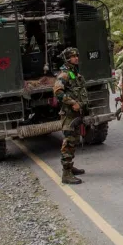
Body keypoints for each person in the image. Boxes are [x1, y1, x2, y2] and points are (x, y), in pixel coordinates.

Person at [53, 48, 89, 184]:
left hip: (76, 114)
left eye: (77, 56)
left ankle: (70, 167)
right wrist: (72, 102)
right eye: (73, 56)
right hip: (68, 115)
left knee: (74, 141)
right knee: (68, 142)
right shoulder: (64, 74)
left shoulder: (74, 73)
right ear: (67, 59)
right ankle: (66, 174)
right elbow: (58, 92)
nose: (76, 58)